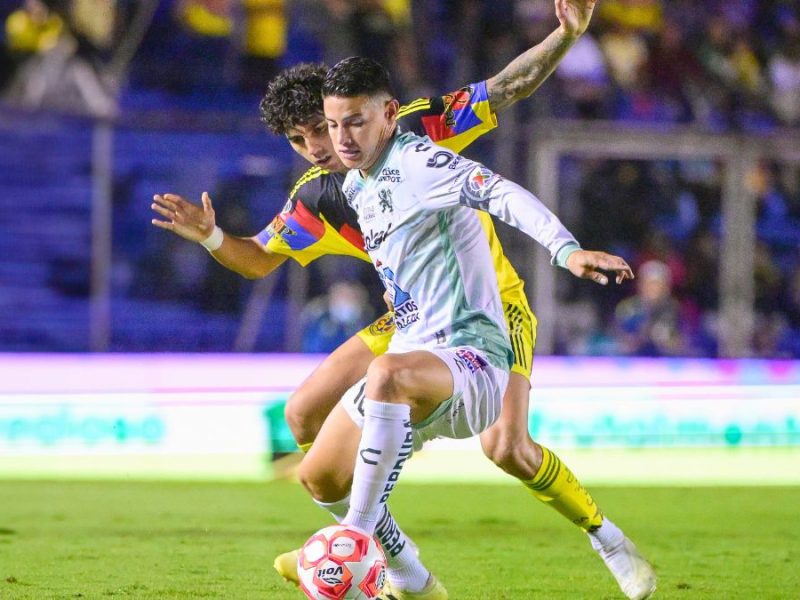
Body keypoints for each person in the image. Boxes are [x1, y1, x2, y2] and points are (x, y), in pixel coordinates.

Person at [151, 2, 655, 598]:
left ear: (363, 114)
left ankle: (605, 538)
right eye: (301, 139)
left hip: (488, 304)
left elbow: (507, 89)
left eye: (325, 125)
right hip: (410, 314)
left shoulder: (415, 134)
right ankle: (398, 564)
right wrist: (210, 235)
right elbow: (258, 258)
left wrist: (565, 37)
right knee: (303, 420)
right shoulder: (318, 195)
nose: (320, 145)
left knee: (507, 447)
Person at [293, 55, 652, 600]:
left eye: (356, 122)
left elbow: (500, 192)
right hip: (419, 361)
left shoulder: (418, 161)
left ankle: (357, 542)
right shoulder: (359, 184)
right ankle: (413, 578)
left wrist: (566, 250)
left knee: (406, 385)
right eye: (334, 124)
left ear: (390, 114)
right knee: (319, 477)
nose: (341, 139)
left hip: (474, 361)